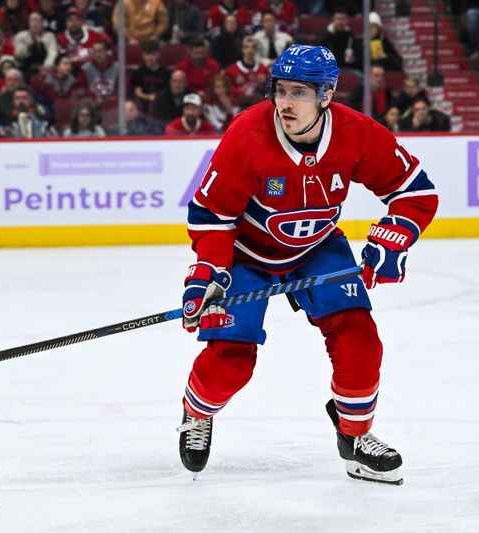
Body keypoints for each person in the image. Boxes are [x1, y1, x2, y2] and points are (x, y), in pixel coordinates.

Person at [175, 45, 438, 485]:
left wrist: (396, 235)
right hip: (247, 256)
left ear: (327, 95)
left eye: (299, 92)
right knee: (232, 362)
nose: (285, 102)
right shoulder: (248, 135)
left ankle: (354, 437)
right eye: (280, 90)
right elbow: (210, 215)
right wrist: (211, 272)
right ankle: (195, 412)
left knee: (360, 338)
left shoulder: (356, 133)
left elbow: (415, 191)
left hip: (318, 249)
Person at [129, 40, 171, 112]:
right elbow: (138, 93)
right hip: (143, 105)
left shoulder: (166, 73)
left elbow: (167, 92)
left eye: (153, 54)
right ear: (143, 55)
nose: (150, 58)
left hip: (162, 104)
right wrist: (150, 97)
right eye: (147, 54)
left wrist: (157, 98)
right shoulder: (138, 73)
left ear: (158, 54)